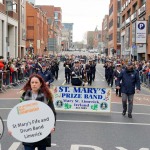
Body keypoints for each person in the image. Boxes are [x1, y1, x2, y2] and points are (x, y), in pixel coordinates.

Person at [20, 74, 56, 150]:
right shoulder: (24, 96)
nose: (34, 84)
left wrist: (52, 126)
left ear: (41, 83)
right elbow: (18, 113)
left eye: (36, 82)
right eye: (32, 82)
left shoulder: (46, 96)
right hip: (28, 130)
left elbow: (52, 112)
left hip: (42, 130)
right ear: (30, 84)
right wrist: (13, 127)